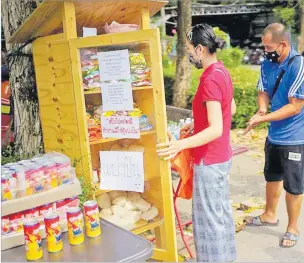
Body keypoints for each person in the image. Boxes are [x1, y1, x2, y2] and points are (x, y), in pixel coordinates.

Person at [157, 24, 237, 262]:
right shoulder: (222, 71)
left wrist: (180, 145)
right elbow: (229, 109)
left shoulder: (210, 79)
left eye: (190, 49)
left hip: (209, 160)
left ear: (201, 49)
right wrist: (197, 122)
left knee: (208, 224)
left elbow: (216, 128)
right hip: (222, 157)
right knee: (220, 216)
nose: (189, 53)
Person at [245, 23, 304, 248]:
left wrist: (263, 119)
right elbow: (263, 90)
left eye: (269, 46)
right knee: (272, 177)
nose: (265, 50)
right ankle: (269, 214)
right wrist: (262, 109)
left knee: (294, 186)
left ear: (283, 45)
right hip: (274, 137)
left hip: (295, 139)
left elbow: (295, 106)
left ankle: (293, 227)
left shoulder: (298, 65)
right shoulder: (267, 63)